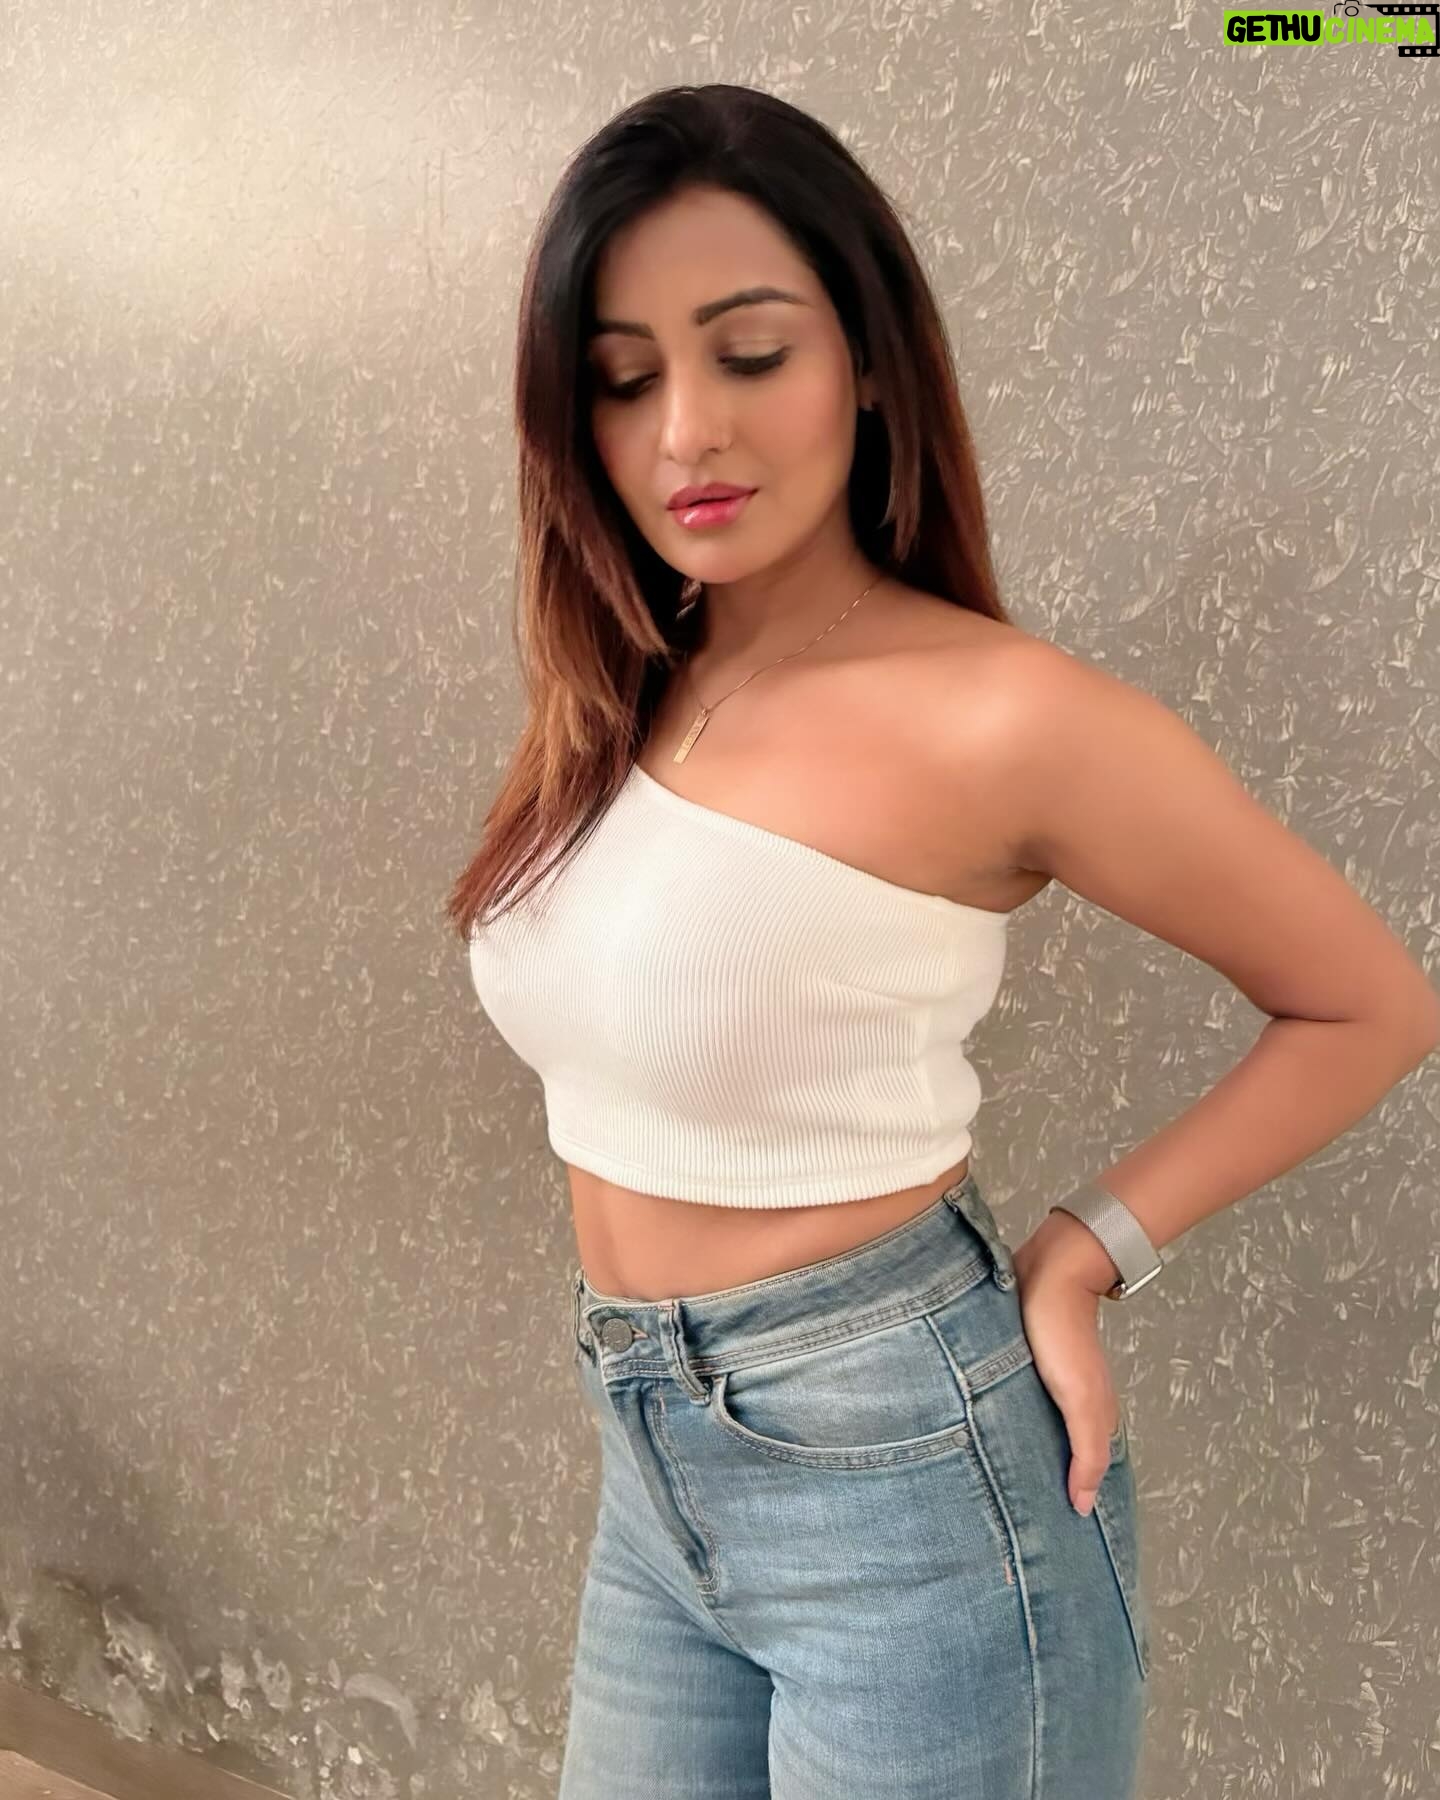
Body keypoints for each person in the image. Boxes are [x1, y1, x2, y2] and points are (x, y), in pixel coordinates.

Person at [451, 82, 1440, 1799]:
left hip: (906, 1480)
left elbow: (1366, 1003)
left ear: (867, 360)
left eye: (750, 353)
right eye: (622, 377)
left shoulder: (1007, 717)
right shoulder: (628, 683)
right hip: (652, 1466)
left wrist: (1086, 1251)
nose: (686, 429)